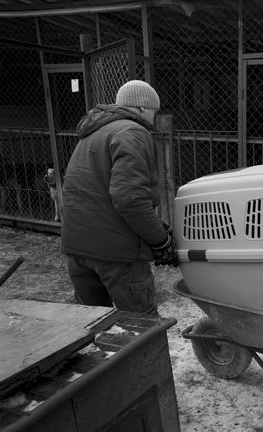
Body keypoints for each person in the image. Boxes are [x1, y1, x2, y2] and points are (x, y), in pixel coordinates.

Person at [60, 79, 178, 316]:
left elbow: (96, 192)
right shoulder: (133, 132)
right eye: (154, 112)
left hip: (78, 249)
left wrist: (156, 228)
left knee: (93, 327)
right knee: (142, 328)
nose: (154, 119)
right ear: (143, 108)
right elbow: (130, 199)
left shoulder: (91, 133)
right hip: (117, 256)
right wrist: (160, 240)